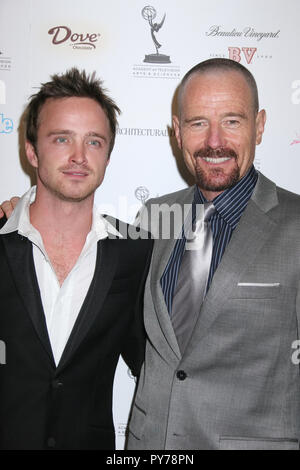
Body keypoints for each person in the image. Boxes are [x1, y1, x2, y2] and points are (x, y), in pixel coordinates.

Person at [126, 58, 300, 450]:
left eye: (232, 121)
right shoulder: (154, 215)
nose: (215, 141)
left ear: (260, 125)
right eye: (198, 122)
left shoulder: (297, 225)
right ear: (177, 131)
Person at [0, 68, 152, 450]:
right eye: (62, 138)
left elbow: (155, 365)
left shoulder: (136, 252)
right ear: (32, 150)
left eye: (95, 142)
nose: (79, 157)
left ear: (108, 156)